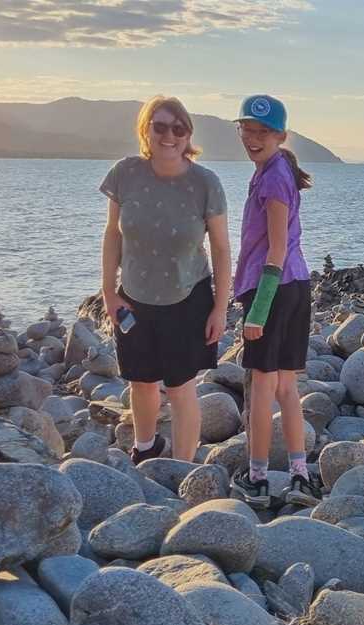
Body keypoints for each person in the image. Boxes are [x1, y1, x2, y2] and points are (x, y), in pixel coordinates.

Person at [99, 95, 231, 465]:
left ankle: (182, 468)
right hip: (134, 298)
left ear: (188, 134)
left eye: (179, 128)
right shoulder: (124, 174)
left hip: (188, 298)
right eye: (160, 126)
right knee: (140, 381)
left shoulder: (205, 183)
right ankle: (145, 448)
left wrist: (220, 307)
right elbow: (113, 235)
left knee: (180, 386)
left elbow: (220, 249)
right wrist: (109, 292)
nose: (169, 135)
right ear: (145, 130)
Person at [229, 94, 320, 508]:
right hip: (296, 287)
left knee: (264, 387)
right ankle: (301, 475)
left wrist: (258, 310)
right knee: (286, 385)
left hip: (274, 288)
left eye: (262, 131)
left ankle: (258, 478)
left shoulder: (272, 178)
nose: (252, 137)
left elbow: (276, 249)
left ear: (281, 135)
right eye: (246, 129)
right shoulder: (277, 168)